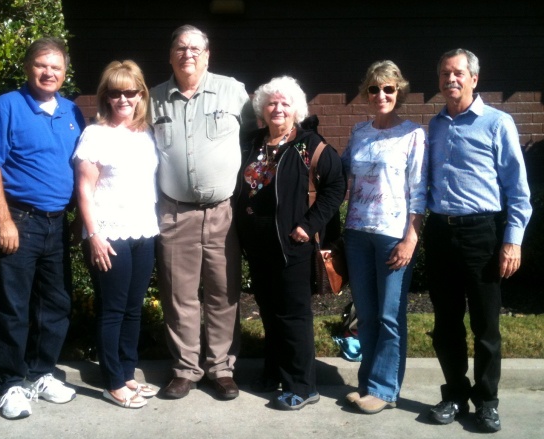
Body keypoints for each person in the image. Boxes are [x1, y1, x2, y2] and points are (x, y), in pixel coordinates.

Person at [0, 37, 85, 419]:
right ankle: (9, 384)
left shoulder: (72, 111)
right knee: (14, 307)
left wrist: (78, 217)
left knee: (55, 304)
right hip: (20, 220)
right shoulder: (7, 106)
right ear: (27, 67)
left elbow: (82, 166)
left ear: (65, 73)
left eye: (56, 67)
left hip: (58, 223)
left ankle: (41, 373)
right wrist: (3, 219)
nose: (48, 72)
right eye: (41, 65)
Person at [425, 49, 532, 433]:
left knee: (486, 326)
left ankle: (487, 402)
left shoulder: (497, 123)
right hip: (440, 233)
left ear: (474, 79)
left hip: (481, 235)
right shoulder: (435, 125)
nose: (450, 79)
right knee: (446, 325)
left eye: (458, 73)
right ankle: (455, 394)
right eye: (444, 73)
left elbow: (518, 191)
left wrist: (512, 241)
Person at [150, 25, 256, 400]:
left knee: (223, 294)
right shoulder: (154, 99)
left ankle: (221, 369)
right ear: (170, 56)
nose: (188, 54)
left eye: (196, 48)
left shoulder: (233, 91)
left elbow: (254, 139)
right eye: (181, 48)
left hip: (223, 213)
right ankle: (185, 370)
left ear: (207, 55)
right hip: (175, 214)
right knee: (179, 296)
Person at [237, 76, 346, 410]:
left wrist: (308, 225)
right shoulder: (254, 142)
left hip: (292, 246)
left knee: (293, 315)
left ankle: (303, 385)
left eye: (285, 103)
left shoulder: (307, 145)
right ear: (262, 109)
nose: (278, 108)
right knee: (270, 312)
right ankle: (273, 372)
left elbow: (336, 186)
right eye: (271, 102)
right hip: (258, 246)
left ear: (296, 109)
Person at [341, 61, 428, 414]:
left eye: (388, 89)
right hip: (357, 233)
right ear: (366, 93)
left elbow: (419, 192)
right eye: (374, 89)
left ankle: (384, 389)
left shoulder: (413, 134)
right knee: (366, 313)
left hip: (393, 237)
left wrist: (411, 239)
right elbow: (338, 172)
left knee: (390, 316)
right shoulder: (358, 133)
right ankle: (367, 384)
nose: (381, 95)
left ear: (399, 92)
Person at [73, 60, 159, 408]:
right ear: (105, 97)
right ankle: (112, 382)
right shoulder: (95, 135)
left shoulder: (145, 134)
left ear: (141, 95)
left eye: (131, 92)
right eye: (115, 92)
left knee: (133, 308)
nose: (124, 99)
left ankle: (126, 372)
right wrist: (94, 235)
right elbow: (84, 190)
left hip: (143, 229)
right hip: (108, 233)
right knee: (113, 309)